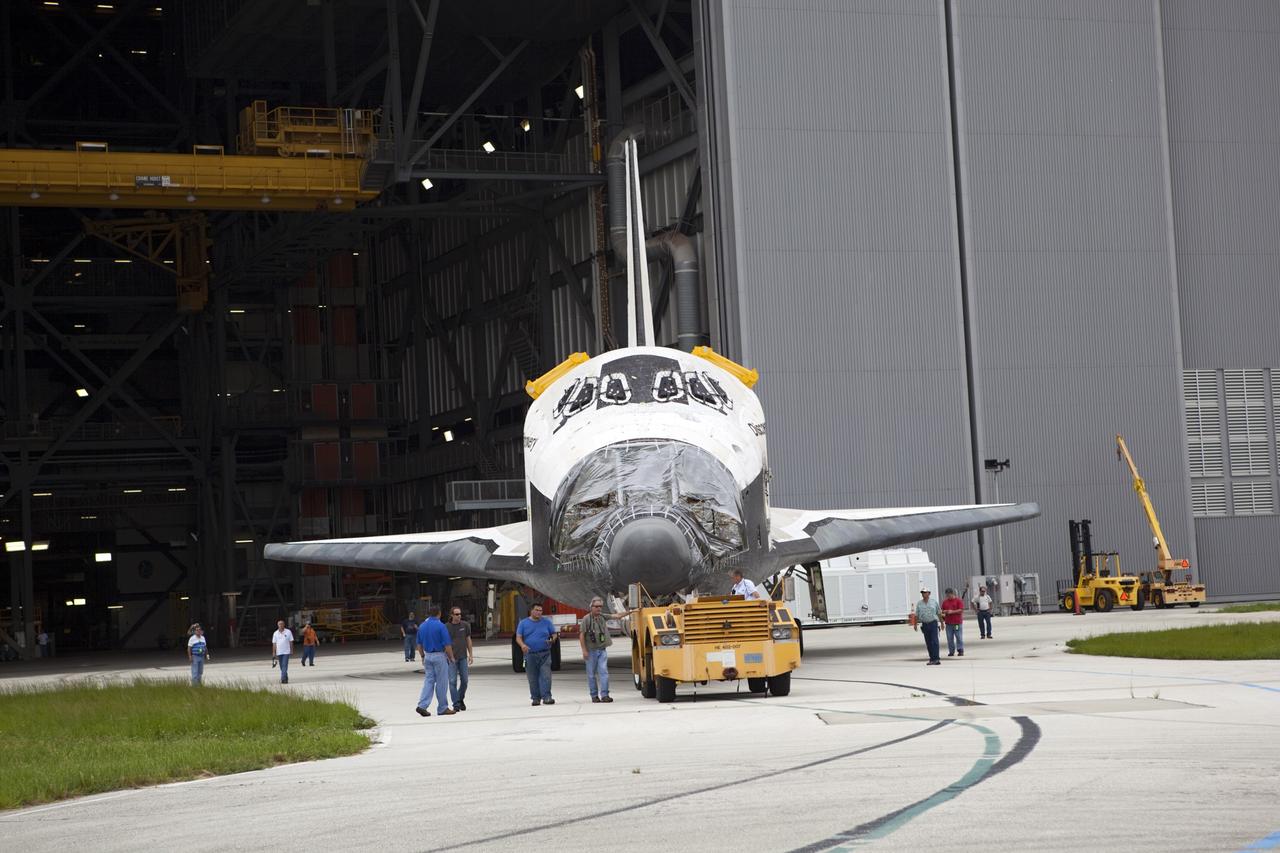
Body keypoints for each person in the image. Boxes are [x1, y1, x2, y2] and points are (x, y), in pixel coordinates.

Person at [415, 604, 456, 717]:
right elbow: (447, 645)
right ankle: (442, 707)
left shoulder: (422, 626)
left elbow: (418, 644)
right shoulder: (441, 626)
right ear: (439, 613)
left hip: (428, 656)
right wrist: (451, 657)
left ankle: (422, 705)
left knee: (429, 681)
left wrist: (423, 656)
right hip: (439, 656)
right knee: (442, 682)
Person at [516, 602, 558, 706]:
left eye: (541, 611)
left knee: (546, 676)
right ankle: (535, 698)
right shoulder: (523, 623)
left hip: (545, 654)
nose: (539, 613)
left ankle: (547, 697)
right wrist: (522, 645)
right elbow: (518, 637)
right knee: (532, 677)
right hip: (529, 655)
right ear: (532, 611)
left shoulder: (546, 622)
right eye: (537, 610)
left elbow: (554, 634)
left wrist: (552, 639)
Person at [579, 597, 614, 703]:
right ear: (591, 607)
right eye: (596, 606)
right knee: (591, 674)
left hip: (602, 650)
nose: (599, 608)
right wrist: (584, 651)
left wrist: (631, 612)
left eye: (600, 606)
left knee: (604, 672)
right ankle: (594, 695)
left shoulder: (602, 617)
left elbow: (616, 616)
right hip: (591, 651)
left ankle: (605, 695)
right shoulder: (586, 619)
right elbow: (581, 635)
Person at [446, 606, 473, 712]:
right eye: (457, 614)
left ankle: (460, 699)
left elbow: (468, 640)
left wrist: (470, 654)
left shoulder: (465, 625)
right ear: (452, 615)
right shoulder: (446, 627)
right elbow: (445, 643)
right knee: (452, 681)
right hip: (451, 658)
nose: (459, 616)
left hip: (463, 657)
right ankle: (456, 704)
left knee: (465, 681)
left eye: (460, 614)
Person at [912, 588, 942, 665]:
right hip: (925, 624)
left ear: (929, 593)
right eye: (922, 593)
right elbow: (916, 615)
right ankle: (932, 658)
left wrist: (942, 623)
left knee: (934, 641)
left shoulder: (934, 602)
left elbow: (939, 613)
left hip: (933, 623)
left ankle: (936, 658)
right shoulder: (919, 603)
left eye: (925, 592)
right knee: (928, 642)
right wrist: (915, 624)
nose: (923, 594)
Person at [941, 587, 965, 657]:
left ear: (952, 593)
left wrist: (952, 612)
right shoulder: (945, 602)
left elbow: (961, 610)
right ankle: (951, 651)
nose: (948, 596)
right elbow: (942, 610)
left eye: (949, 595)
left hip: (957, 623)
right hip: (948, 623)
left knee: (958, 636)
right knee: (949, 638)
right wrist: (945, 611)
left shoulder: (958, 601)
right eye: (947, 595)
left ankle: (960, 649)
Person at [271, 619, 294, 684]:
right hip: (279, 652)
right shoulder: (275, 633)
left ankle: (283, 679)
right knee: (281, 666)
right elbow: (274, 644)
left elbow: (291, 641)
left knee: (284, 665)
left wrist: (291, 650)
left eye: (282, 624)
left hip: (286, 651)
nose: (281, 625)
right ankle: (286, 677)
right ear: (277, 625)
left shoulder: (288, 632)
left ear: (284, 625)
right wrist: (273, 652)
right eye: (279, 624)